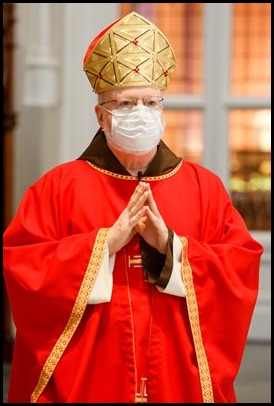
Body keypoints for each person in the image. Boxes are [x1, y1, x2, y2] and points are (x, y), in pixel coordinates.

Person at [3, 11, 264, 404]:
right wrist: (103, 245)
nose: (139, 112)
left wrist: (173, 249)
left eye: (149, 101)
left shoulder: (203, 187)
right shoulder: (56, 188)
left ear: (162, 110)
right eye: (125, 103)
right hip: (91, 373)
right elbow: (25, 267)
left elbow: (238, 268)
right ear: (101, 116)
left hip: (175, 370)